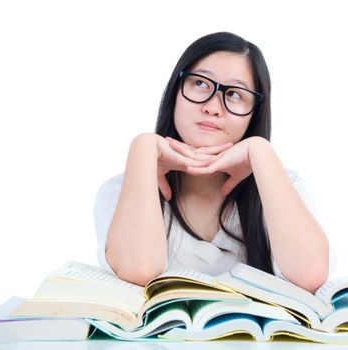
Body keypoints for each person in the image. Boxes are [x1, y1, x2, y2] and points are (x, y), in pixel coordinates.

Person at [94, 32, 335, 292]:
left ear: (254, 114)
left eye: (234, 94)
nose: (212, 106)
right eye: (200, 84)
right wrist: (142, 146)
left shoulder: (282, 186)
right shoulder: (121, 191)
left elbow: (310, 275)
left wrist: (260, 151)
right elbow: (138, 269)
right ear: (176, 91)